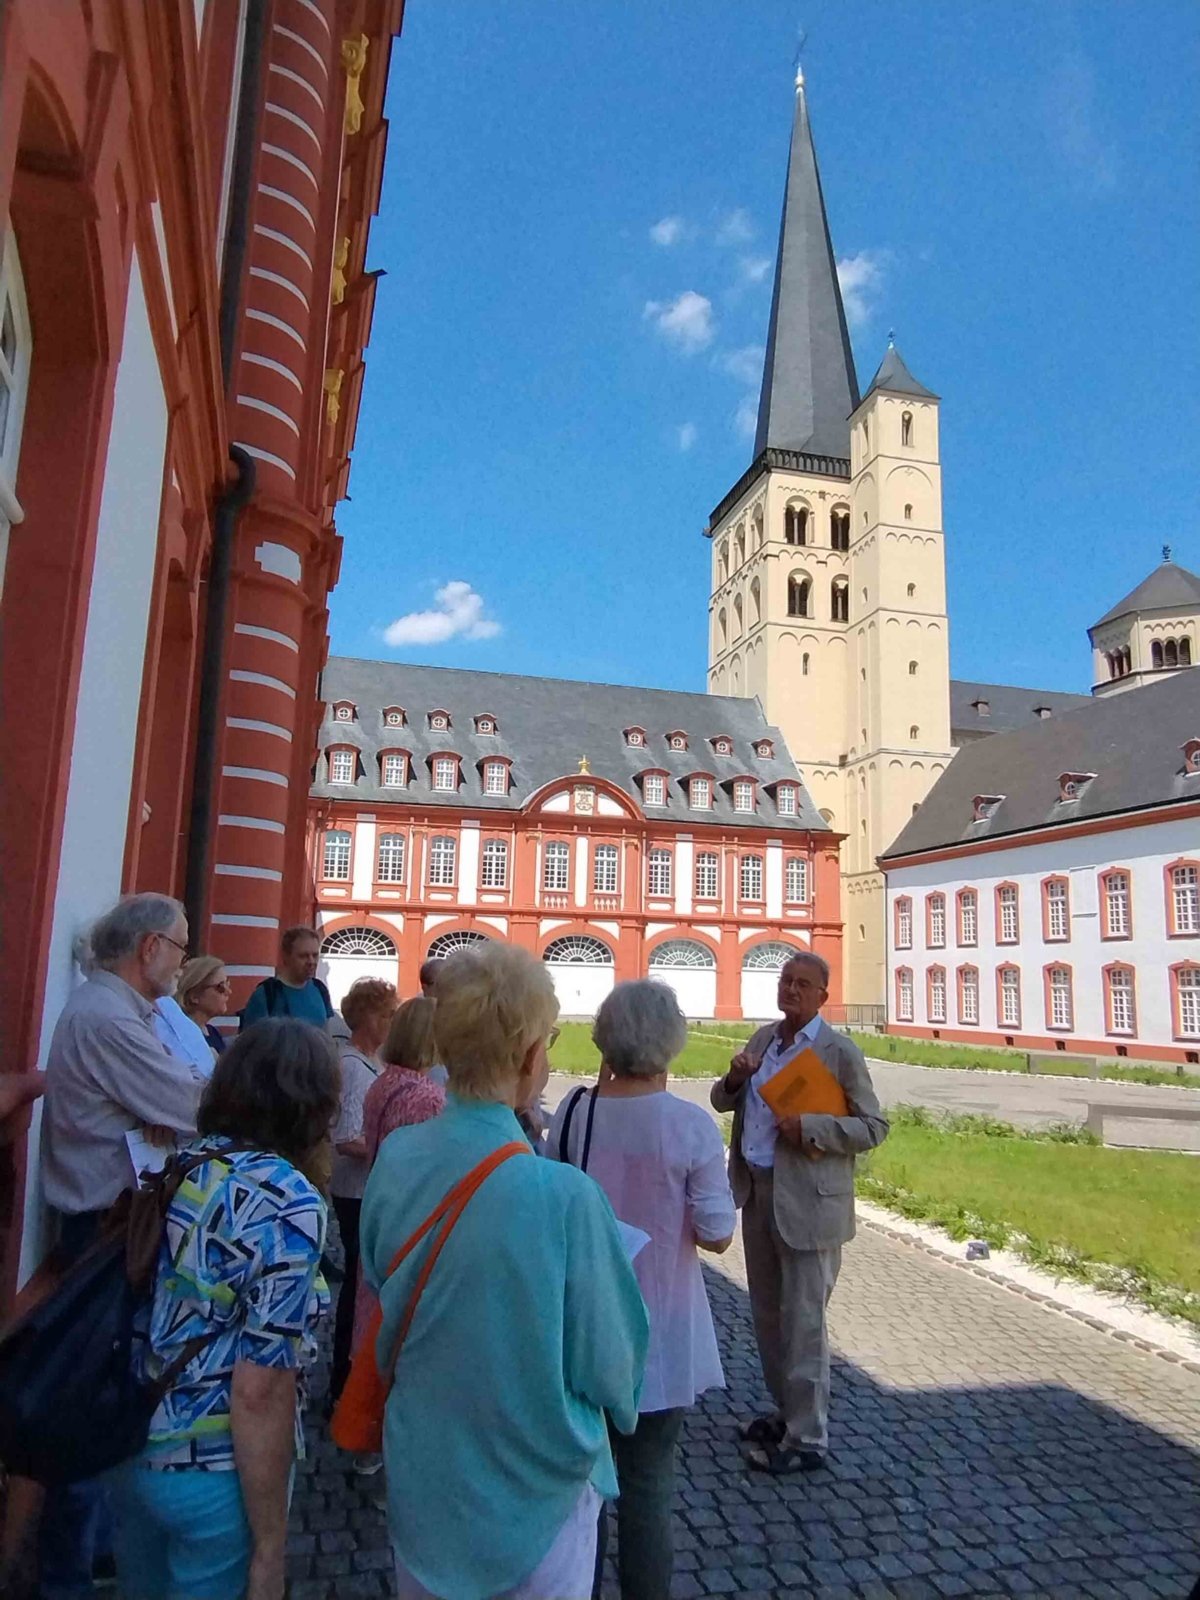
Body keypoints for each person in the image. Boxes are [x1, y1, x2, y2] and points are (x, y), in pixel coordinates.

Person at [359, 943, 648, 1600]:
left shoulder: (400, 1156)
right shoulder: (566, 1197)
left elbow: (381, 1275)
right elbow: (613, 1366)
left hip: (426, 1478)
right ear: (528, 1056)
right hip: (536, 1496)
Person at [107, 1019, 337, 1600]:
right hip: (212, 1469)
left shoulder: (186, 1162)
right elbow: (260, 1385)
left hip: (136, 1438)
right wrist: (270, 1545)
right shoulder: (288, 1199)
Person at [39, 893, 203, 1600]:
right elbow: (193, 1104)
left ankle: (94, 1554)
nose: (184, 960)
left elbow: (172, 1102)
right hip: (101, 1232)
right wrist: (171, 1110)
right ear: (149, 949)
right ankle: (69, 1577)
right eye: (181, 946)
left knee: (103, 1391)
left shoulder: (116, 1011)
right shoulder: (109, 1018)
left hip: (107, 1223)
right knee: (90, 1401)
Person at [548, 981, 735, 1600]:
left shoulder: (572, 1112)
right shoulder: (689, 1126)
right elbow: (716, 1236)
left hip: (582, 1324)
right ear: (671, 1044)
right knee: (650, 1487)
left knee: (584, 1487)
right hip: (660, 1327)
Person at [711, 951, 888, 1474]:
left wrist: (811, 1126)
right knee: (767, 1314)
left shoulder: (839, 1053)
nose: (791, 989)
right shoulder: (763, 1040)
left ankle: (808, 1437)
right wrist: (737, 1079)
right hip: (757, 1192)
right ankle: (786, 1413)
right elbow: (723, 1101)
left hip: (809, 1202)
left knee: (804, 1322)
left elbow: (874, 1127)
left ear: (821, 997)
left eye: (802, 984)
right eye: (786, 980)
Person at [329, 976, 398, 1413]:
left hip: (364, 1186)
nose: (392, 1022)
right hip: (356, 1189)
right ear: (368, 1017)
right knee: (358, 1285)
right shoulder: (354, 1067)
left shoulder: (371, 1062)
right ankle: (343, 1377)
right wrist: (392, 1147)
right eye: (388, 1014)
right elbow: (346, 1136)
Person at [239, 927, 335, 1032]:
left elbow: (327, 1035)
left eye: (315, 955)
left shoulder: (320, 989)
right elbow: (250, 1041)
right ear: (286, 956)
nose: (311, 961)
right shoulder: (266, 994)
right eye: (303, 956)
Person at [176, 955, 233, 1058]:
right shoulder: (183, 1035)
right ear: (194, 996)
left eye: (227, 984)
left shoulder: (213, 1032)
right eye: (220, 987)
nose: (229, 992)